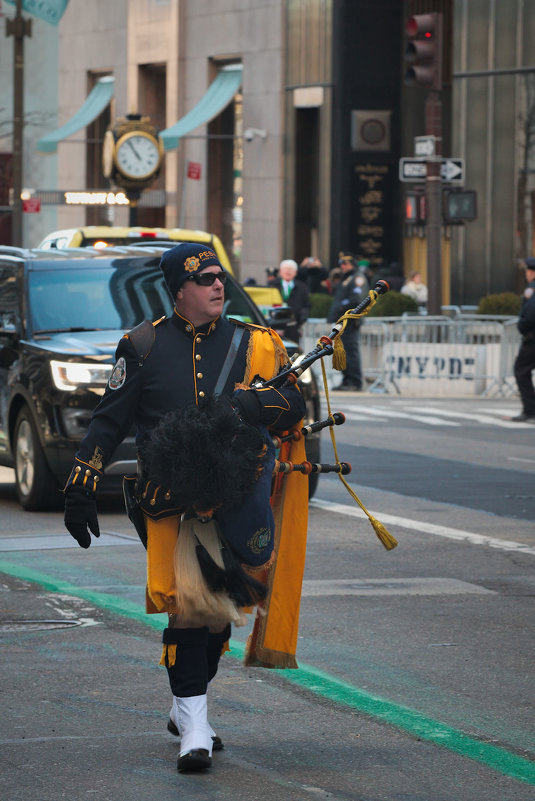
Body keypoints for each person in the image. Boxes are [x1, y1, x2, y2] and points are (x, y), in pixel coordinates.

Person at [63, 243, 308, 774]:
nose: (218, 286)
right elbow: (110, 421)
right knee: (189, 607)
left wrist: (252, 403)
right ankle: (195, 727)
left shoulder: (253, 343)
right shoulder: (143, 345)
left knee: (219, 615)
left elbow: (295, 403)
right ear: (179, 290)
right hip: (168, 502)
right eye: (205, 280)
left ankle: (185, 705)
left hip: (236, 498)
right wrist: (81, 483)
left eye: (220, 277)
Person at [327, 251, 369, 391]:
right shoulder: (347, 278)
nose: (342, 266)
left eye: (345, 263)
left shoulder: (357, 278)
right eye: (341, 264)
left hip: (350, 322)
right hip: (343, 322)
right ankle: (346, 379)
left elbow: (358, 300)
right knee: (343, 351)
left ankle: (354, 381)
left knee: (351, 351)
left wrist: (341, 307)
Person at [511, 257, 535, 422]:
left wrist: (522, 327)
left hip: (532, 339)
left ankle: (530, 410)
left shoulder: (531, 289)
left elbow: (530, 312)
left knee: (521, 370)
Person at [276, 258, 310, 343]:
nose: (288, 271)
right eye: (285, 269)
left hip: (293, 328)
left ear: (295, 272)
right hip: (275, 327)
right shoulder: (272, 285)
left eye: (290, 269)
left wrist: (302, 319)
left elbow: (306, 305)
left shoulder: (302, 287)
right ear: (280, 271)